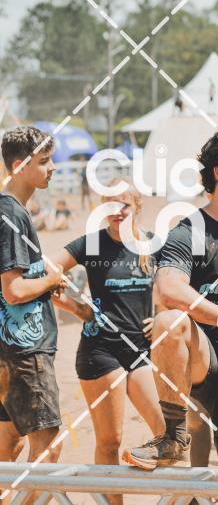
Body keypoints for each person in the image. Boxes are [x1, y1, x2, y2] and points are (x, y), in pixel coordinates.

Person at [124, 132, 218, 505]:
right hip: (207, 360)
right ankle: (174, 435)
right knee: (168, 321)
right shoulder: (189, 231)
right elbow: (168, 289)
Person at [51, 179, 163, 504]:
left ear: (137, 206)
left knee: (167, 433)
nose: (117, 211)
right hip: (100, 351)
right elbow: (44, 271)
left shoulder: (153, 245)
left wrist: (162, 318)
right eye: (110, 205)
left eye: (124, 204)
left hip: (142, 351)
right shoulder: (91, 245)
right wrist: (77, 309)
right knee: (110, 440)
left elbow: (174, 287)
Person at [0, 127, 68, 496]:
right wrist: (52, 278)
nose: (52, 167)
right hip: (26, 351)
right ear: (19, 165)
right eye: (44, 161)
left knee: (8, 447)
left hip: (8, 348)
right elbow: (13, 291)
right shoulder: (12, 214)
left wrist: (44, 283)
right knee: (48, 449)